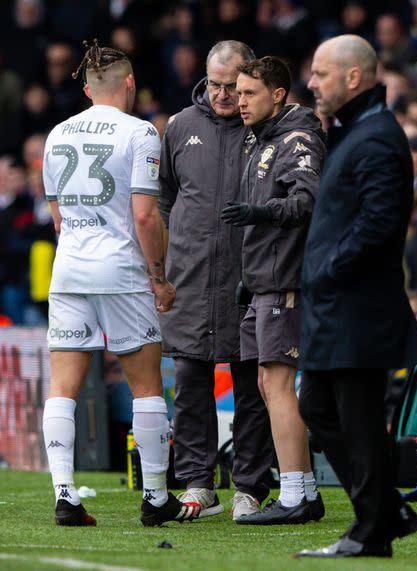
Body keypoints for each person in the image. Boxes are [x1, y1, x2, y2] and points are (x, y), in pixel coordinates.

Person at [41, 41, 194, 528]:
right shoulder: (141, 132)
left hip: (68, 270)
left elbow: (58, 217)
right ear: (130, 83)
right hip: (122, 271)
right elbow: (146, 216)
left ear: (86, 89)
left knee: (62, 388)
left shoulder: (56, 134)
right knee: (146, 386)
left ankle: (64, 494)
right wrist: (159, 278)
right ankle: (154, 497)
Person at [297, 35, 417, 558]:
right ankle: (384, 511)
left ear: (354, 78)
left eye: (321, 74)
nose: (311, 84)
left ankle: (372, 528)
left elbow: (379, 223)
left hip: (356, 308)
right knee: (320, 405)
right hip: (339, 306)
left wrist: (328, 269)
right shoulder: (357, 131)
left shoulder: (375, 137)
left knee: (357, 416)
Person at [158, 40, 273, 520]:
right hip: (190, 276)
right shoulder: (180, 127)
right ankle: (198, 483)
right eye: (215, 85)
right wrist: (167, 260)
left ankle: (250, 486)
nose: (224, 95)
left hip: (251, 274)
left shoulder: (267, 129)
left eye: (233, 86)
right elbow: (164, 197)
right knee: (189, 382)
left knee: (253, 386)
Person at [221, 56, 326, 524]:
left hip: (285, 280)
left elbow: (307, 201)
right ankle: (301, 490)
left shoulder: (297, 138)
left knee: (280, 385)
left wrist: (259, 213)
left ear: (278, 94)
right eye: (238, 93)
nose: (238, 102)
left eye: (248, 93)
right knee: (268, 383)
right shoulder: (261, 139)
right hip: (263, 280)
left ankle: (296, 495)